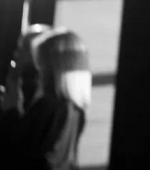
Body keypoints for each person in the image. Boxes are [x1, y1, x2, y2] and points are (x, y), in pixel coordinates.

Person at [0, 28, 90, 169]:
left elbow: (15, 152)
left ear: (54, 68)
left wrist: (10, 110)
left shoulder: (47, 107)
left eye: (42, 64)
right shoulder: (77, 111)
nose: (39, 71)